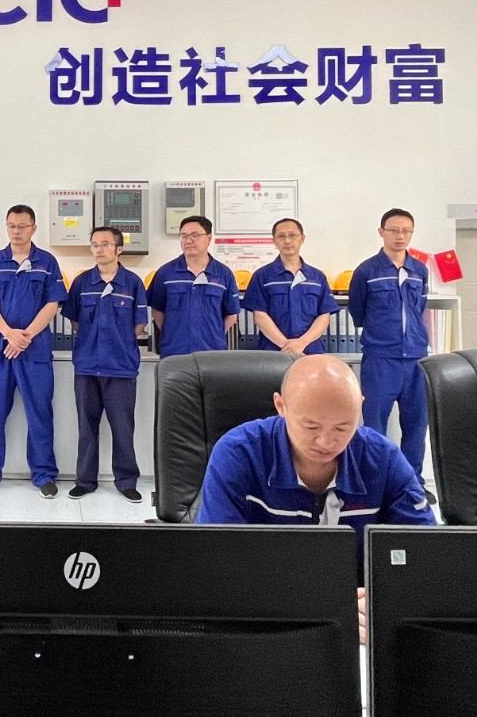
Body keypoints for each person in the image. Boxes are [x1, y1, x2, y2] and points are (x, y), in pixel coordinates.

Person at [196, 354, 435, 641]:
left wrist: (382, 602)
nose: (326, 442)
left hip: (356, 628)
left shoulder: (383, 459)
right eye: (311, 427)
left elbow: (427, 555)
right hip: (264, 624)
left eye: (343, 427)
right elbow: (219, 565)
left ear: (360, 406)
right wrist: (327, 604)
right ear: (280, 406)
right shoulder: (238, 455)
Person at [0, 204, 67, 498]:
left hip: (34, 351)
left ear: (33, 229)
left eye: (22, 226)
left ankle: (44, 475)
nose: (16, 231)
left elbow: (52, 304)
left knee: (40, 414)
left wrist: (25, 337)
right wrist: (10, 334)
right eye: (12, 226)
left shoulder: (47, 262)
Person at [348, 209, 434, 496]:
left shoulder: (419, 270)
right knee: (374, 425)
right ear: (381, 232)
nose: (400, 236)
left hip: (416, 359)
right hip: (380, 358)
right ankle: (376, 483)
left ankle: (412, 484)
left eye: (406, 231)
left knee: (416, 425)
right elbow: (358, 313)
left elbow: (418, 308)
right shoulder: (366, 271)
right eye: (394, 230)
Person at [61, 226, 149, 502]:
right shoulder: (81, 283)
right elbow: (75, 320)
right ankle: (85, 481)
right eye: (95, 244)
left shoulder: (133, 283)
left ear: (119, 249)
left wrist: (117, 342)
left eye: (105, 244)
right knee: (86, 428)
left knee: (123, 428)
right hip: (87, 365)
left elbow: (140, 323)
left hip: (120, 366)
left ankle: (126, 481)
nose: (99, 249)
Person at [147, 214, 240, 357]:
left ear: (208, 238)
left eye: (195, 235)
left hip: (212, 353)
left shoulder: (223, 274)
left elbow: (232, 314)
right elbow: (157, 311)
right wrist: (172, 334)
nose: (188, 241)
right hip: (174, 352)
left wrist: (213, 335)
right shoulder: (165, 273)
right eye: (183, 236)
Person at [245, 217, 339, 354]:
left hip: (310, 351)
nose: (287, 241)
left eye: (293, 235)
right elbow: (260, 316)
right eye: (281, 236)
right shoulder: (262, 276)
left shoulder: (317, 277)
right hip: (274, 352)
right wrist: (287, 346)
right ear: (274, 241)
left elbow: (324, 316)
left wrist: (302, 343)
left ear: (302, 238)